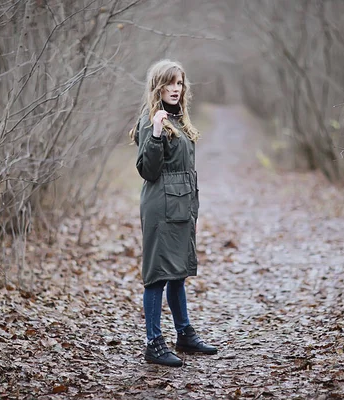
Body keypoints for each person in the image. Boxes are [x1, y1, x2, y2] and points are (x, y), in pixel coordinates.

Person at [129, 59, 217, 367]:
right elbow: (147, 171)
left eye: (179, 83)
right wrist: (154, 132)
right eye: (169, 83)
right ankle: (154, 343)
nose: (175, 89)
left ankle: (184, 335)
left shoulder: (180, 120)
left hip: (181, 205)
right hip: (160, 207)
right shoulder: (151, 120)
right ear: (157, 87)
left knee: (177, 273)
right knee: (157, 276)